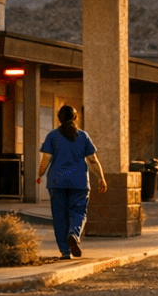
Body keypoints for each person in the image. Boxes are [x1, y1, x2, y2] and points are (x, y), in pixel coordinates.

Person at [34, 105, 107, 259]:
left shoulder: (52, 136)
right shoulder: (83, 136)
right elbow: (93, 160)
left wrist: (40, 174)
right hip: (79, 182)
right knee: (79, 211)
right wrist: (101, 177)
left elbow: (46, 159)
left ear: (58, 118)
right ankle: (74, 233)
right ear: (75, 118)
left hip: (56, 182)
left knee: (60, 216)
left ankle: (65, 252)